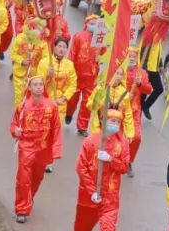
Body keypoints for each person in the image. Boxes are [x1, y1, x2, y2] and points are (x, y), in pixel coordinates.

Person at [68, 108, 130, 231]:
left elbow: (124, 167)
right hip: (88, 197)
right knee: (82, 227)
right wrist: (92, 191)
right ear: (102, 121)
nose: (115, 125)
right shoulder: (90, 141)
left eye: (118, 122)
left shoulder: (122, 143)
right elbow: (80, 168)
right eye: (112, 121)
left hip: (110, 199)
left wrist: (111, 159)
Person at [10, 75, 60, 223]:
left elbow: (56, 128)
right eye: (35, 85)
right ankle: (21, 209)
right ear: (30, 88)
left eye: (41, 84)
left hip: (43, 148)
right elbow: (13, 124)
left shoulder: (52, 106)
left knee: (37, 178)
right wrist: (15, 131)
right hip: (26, 147)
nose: (39, 87)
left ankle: (28, 198)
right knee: (23, 178)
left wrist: (56, 149)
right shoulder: (23, 106)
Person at [36, 35, 77, 169]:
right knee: (43, 131)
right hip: (46, 102)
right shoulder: (44, 62)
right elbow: (38, 83)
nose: (61, 49)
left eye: (64, 47)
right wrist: (47, 75)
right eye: (59, 46)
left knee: (54, 132)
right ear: (54, 47)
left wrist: (64, 97)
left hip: (60, 105)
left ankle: (49, 160)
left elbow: (73, 85)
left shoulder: (70, 65)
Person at [68, 15, 104, 135]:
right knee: (72, 99)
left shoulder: (101, 40)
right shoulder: (78, 36)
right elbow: (72, 54)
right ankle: (69, 113)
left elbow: (105, 56)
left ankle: (82, 127)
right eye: (92, 23)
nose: (94, 25)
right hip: (77, 75)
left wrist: (101, 58)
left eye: (96, 23)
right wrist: (69, 70)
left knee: (87, 104)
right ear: (87, 23)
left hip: (92, 78)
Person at [124, 47, 153, 177]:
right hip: (118, 108)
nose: (131, 59)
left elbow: (149, 90)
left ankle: (128, 161)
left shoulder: (141, 73)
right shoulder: (119, 69)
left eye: (134, 57)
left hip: (134, 110)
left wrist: (140, 84)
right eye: (129, 56)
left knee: (136, 137)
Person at [10, 21, 49, 107]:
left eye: (38, 29)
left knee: (31, 99)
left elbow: (46, 59)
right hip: (20, 74)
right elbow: (12, 54)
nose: (35, 31)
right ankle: (18, 117)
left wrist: (41, 66)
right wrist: (21, 61)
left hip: (34, 76)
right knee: (19, 97)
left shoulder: (43, 43)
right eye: (33, 28)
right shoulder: (20, 39)